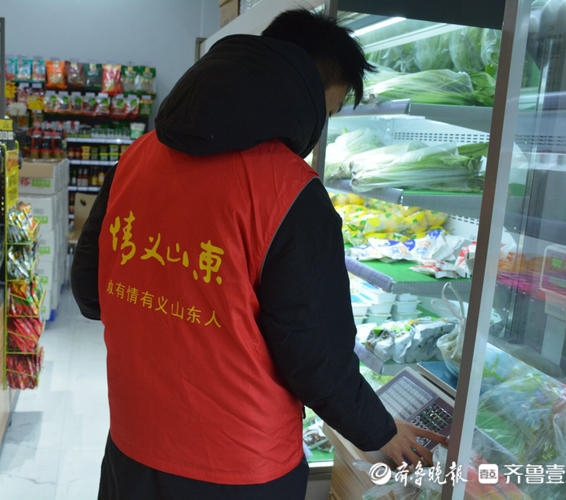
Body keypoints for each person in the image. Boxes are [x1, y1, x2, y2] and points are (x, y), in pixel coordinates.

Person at [72, 8, 446, 500]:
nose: (320, 128)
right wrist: (379, 430)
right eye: (329, 110)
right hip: (239, 467)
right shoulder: (290, 192)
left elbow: (90, 292)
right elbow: (314, 358)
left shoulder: (137, 158)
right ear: (304, 89)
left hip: (134, 447)